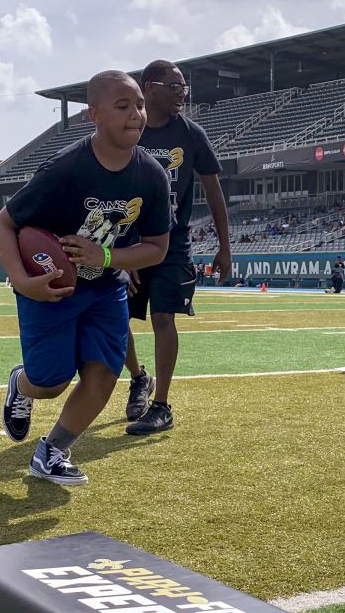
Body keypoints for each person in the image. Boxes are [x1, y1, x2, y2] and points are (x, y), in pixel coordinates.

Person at [0, 70, 171, 486]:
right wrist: (22, 281)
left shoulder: (152, 175)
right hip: (50, 288)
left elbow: (157, 247)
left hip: (104, 288)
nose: (136, 115)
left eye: (140, 105)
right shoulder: (65, 169)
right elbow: (4, 224)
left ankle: (53, 450)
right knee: (50, 382)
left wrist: (107, 256)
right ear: (94, 114)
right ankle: (21, 384)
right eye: (123, 106)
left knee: (104, 373)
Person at [121, 60, 230, 435]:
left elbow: (214, 192)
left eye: (184, 87)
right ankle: (138, 377)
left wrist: (224, 247)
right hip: (127, 243)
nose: (182, 94)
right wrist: (121, 250)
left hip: (172, 243)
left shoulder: (192, 134)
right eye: (175, 87)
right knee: (115, 317)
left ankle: (161, 405)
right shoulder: (129, 132)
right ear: (149, 88)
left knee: (163, 317)